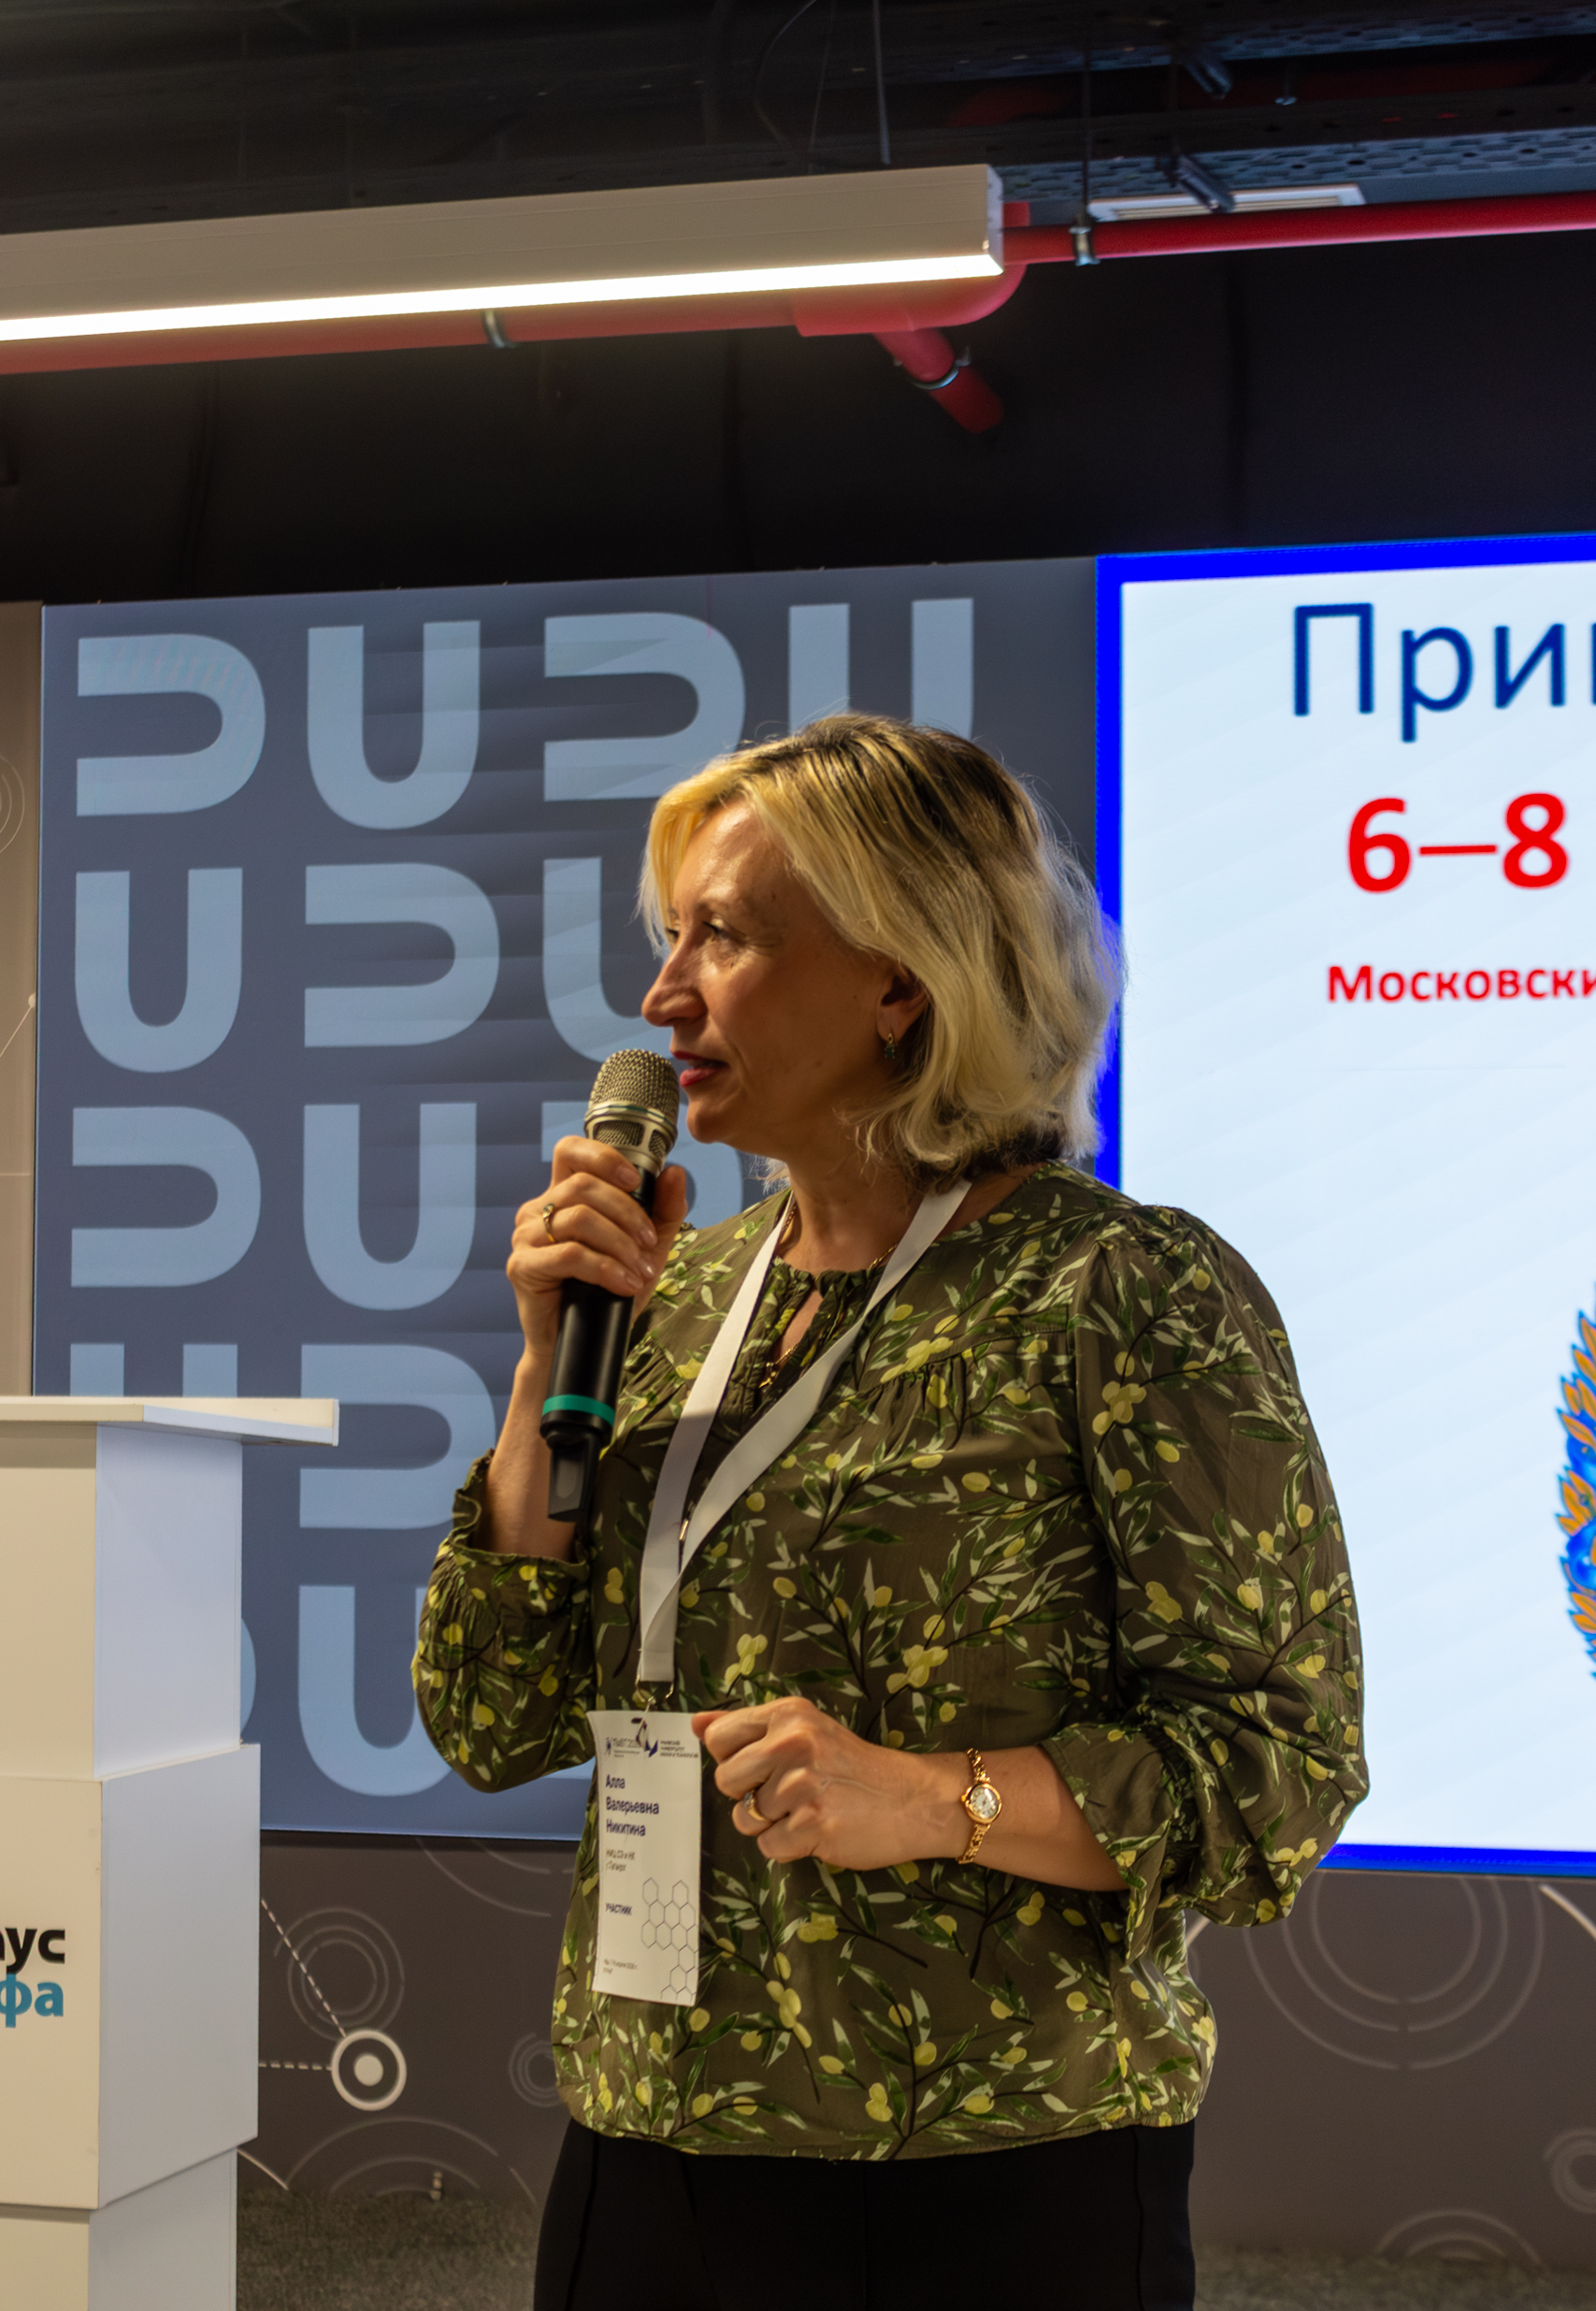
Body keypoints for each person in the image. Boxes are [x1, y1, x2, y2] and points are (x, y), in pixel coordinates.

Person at [414, 714, 1367, 2311]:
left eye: (723, 937)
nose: (662, 996)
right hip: (646, 2133)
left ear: (901, 982)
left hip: (991, 2174)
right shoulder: (675, 1295)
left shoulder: (1124, 1293)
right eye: (671, 938)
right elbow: (489, 1713)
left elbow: (1282, 1772)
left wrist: (933, 1799)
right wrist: (541, 1366)